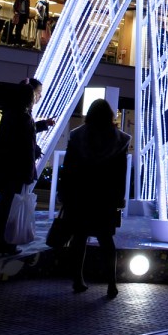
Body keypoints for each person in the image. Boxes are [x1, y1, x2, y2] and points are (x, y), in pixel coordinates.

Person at [57, 98, 131, 299]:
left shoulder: (77, 137)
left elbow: (69, 169)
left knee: (79, 238)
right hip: (104, 197)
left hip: (80, 195)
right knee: (106, 239)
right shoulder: (120, 141)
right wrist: (119, 198)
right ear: (110, 116)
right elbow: (120, 173)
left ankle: (78, 279)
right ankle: (111, 283)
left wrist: (63, 192)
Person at [0, 77, 55, 254]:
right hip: (17, 169)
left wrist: (41, 125)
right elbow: (25, 144)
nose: (38, 97)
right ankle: (6, 240)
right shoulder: (23, 116)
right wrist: (33, 157)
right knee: (11, 204)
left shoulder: (12, 113)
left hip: (7, 167)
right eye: (37, 94)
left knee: (5, 202)